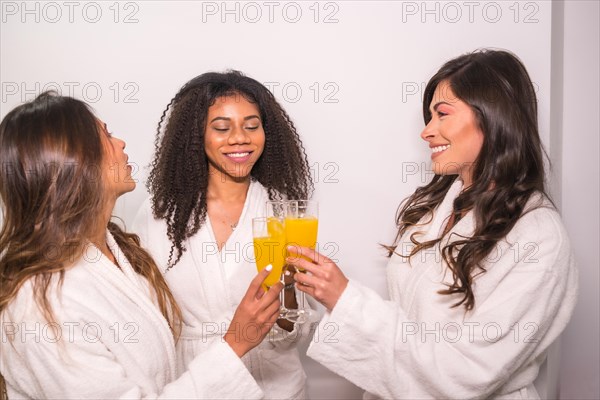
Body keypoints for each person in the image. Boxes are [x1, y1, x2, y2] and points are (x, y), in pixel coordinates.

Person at [287, 49, 579, 399]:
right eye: (429, 117)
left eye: (442, 114)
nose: (427, 132)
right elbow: (413, 323)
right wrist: (333, 294)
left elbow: (470, 371)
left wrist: (347, 300)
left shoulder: (538, 236)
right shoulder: (433, 212)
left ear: (493, 116)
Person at [0, 92, 282, 399]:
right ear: (72, 161)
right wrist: (235, 343)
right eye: (105, 135)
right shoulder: (39, 304)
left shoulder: (116, 250)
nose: (120, 142)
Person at [132, 70, 314, 399]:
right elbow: (143, 317)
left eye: (251, 125)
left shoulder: (282, 210)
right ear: (195, 136)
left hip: (276, 387)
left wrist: (288, 296)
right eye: (221, 127)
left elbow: (292, 333)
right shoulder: (158, 213)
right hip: (196, 383)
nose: (240, 138)